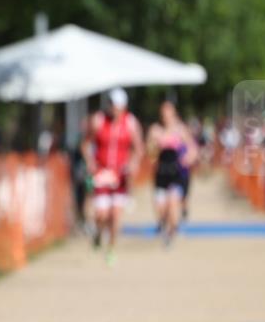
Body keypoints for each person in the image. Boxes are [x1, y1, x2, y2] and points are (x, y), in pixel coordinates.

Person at [82, 88, 144, 266]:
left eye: (119, 107)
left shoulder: (130, 123)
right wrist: (90, 162)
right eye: (113, 106)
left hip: (119, 176)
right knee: (101, 214)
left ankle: (111, 249)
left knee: (115, 215)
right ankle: (99, 234)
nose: (116, 110)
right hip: (101, 173)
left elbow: (138, 148)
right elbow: (86, 144)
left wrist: (132, 164)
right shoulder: (98, 121)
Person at [146, 100, 198, 246]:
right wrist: (154, 147)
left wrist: (187, 159)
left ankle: (172, 231)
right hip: (161, 173)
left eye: (168, 112)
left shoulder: (180, 129)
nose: (166, 116)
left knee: (173, 203)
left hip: (175, 173)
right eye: (163, 113)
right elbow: (149, 151)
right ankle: (164, 224)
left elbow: (193, 148)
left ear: (173, 113)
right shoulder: (155, 130)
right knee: (161, 207)